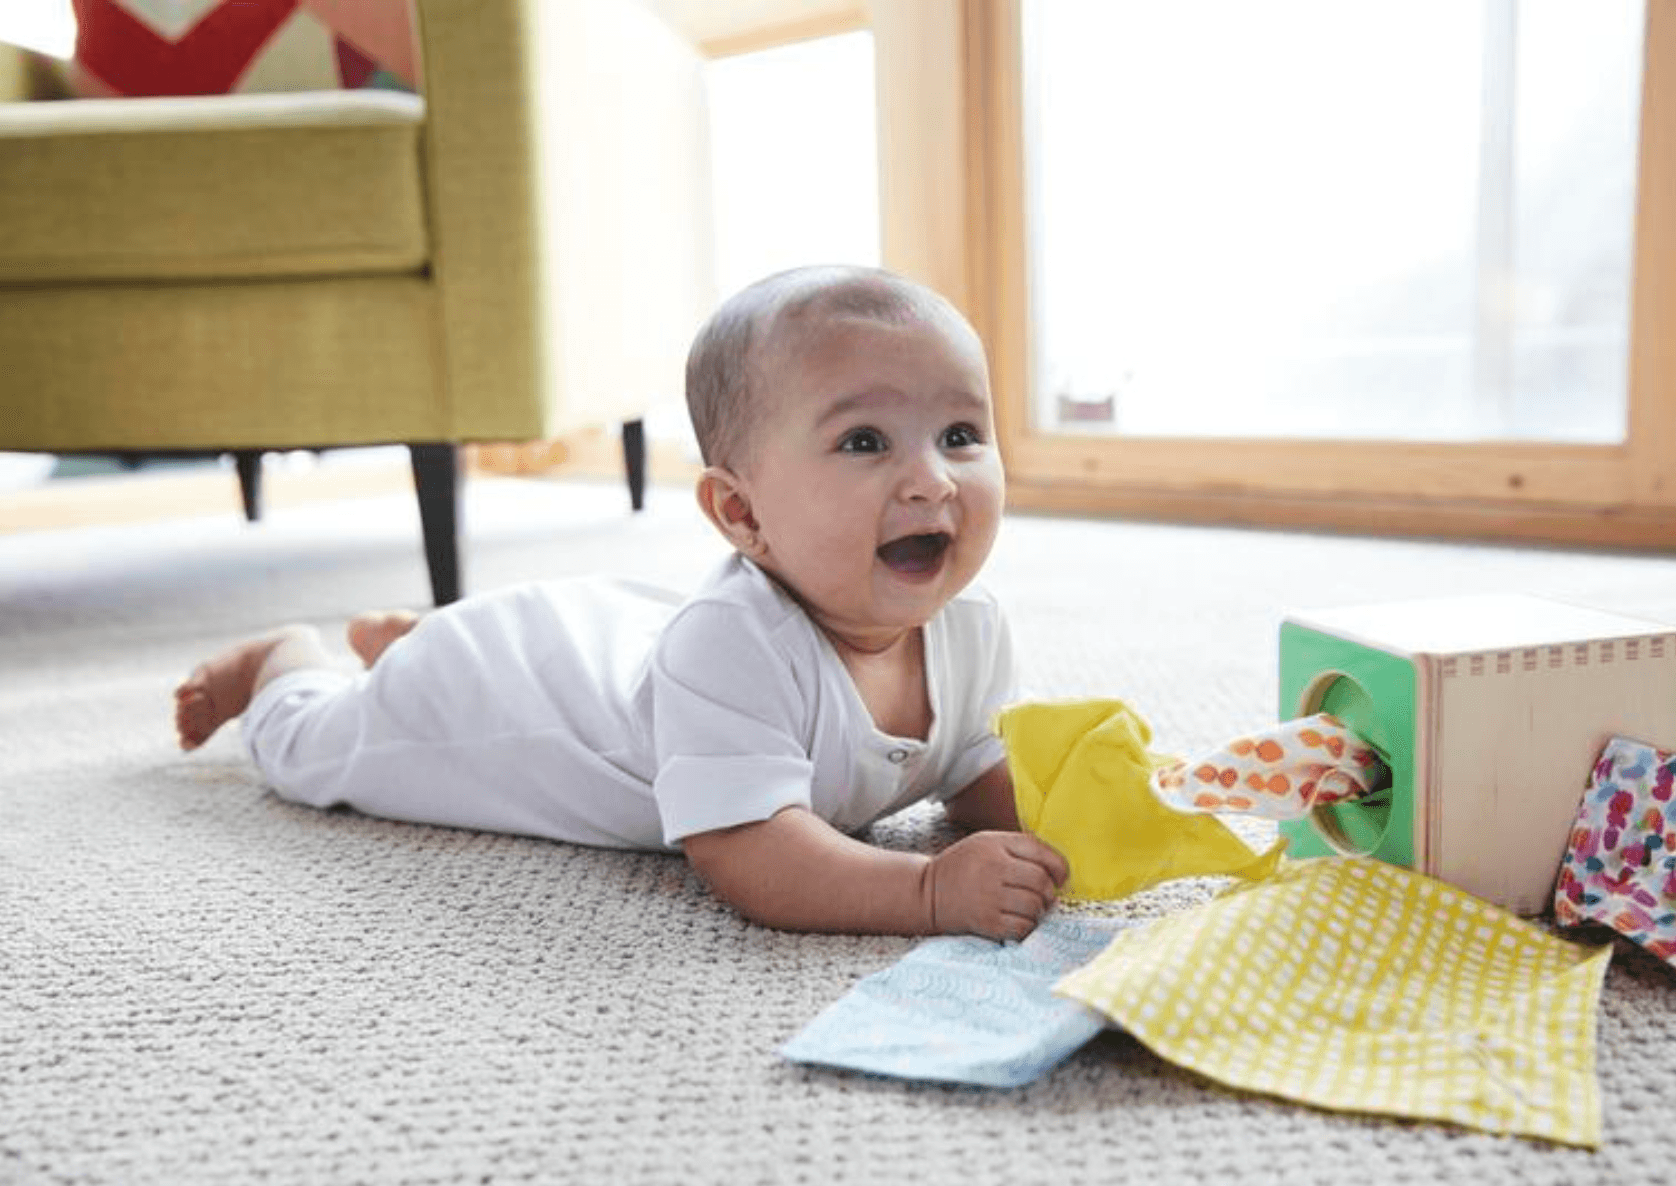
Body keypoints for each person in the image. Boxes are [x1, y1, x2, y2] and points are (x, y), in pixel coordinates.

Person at [174, 264, 1068, 940]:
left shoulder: (970, 624)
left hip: (615, 647)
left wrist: (1105, 810)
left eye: (960, 434)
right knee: (319, 753)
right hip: (491, 694)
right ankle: (291, 664)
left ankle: (414, 630)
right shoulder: (732, 646)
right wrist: (927, 890)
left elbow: (978, 773)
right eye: (864, 440)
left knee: (620, 658)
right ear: (743, 513)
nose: (930, 479)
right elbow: (753, 854)